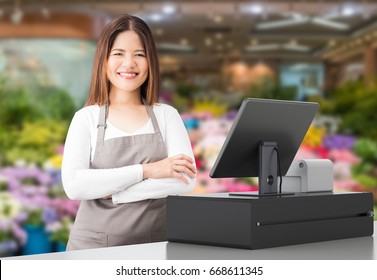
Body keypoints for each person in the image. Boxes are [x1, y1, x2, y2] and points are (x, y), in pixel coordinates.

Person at [61, 14, 197, 250]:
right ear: (103, 60)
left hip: (156, 245)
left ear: (150, 61)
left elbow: (185, 180)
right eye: (118, 53)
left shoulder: (167, 116)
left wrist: (115, 194)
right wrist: (148, 170)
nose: (129, 64)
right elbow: (75, 185)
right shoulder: (86, 118)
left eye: (139, 54)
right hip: (93, 249)